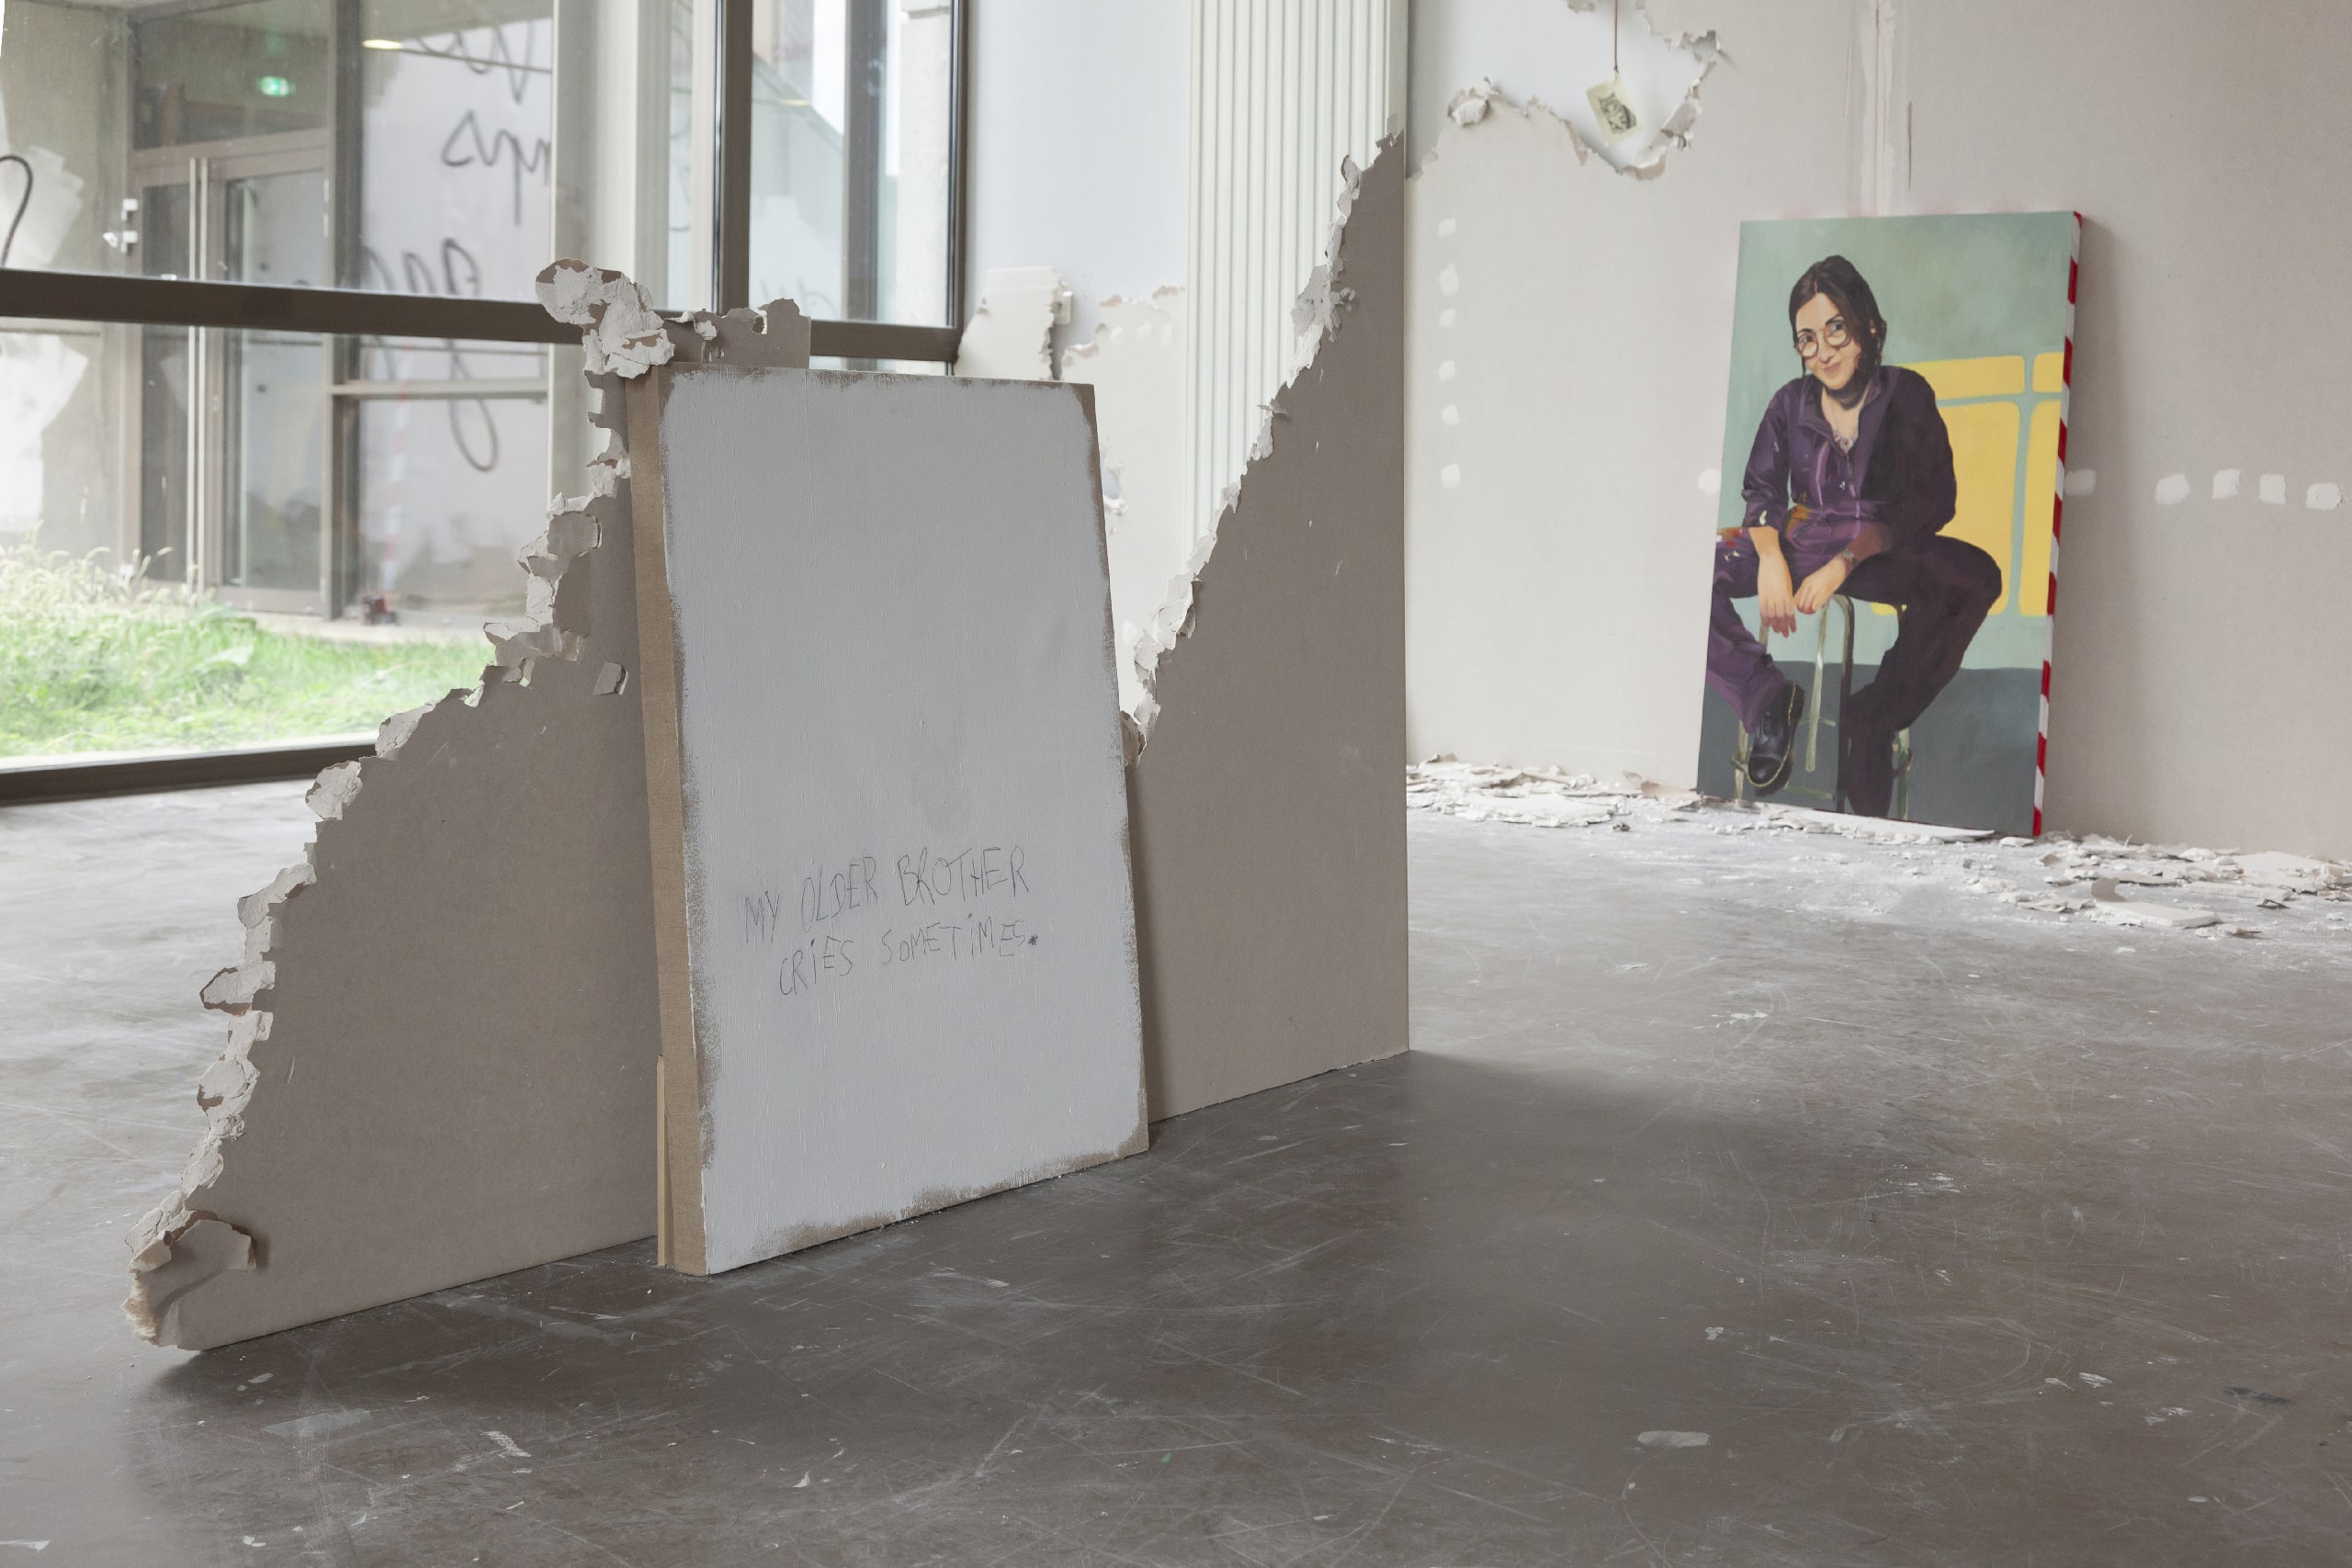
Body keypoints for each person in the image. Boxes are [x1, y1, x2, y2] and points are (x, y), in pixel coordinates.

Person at [1708, 255, 2002, 816]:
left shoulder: (1906, 394)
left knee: (1976, 576)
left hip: (1881, 550)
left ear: (1867, 324)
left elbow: (1935, 500)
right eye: (1807, 339)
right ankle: (1766, 699)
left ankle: (1874, 718)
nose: (1823, 351)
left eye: (1836, 328)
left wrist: (1846, 559)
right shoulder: (1788, 403)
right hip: (1800, 540)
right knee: (1693, 567)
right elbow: (1762, 493)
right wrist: (1770, 558)